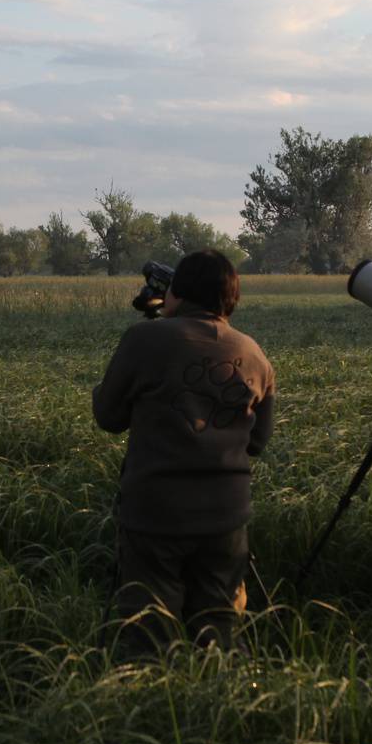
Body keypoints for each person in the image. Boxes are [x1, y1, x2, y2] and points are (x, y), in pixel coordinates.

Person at [93, 250, 276, 655]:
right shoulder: (254, 354)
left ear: (177, 291)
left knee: (148, 626)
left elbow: (108, 415)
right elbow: (258, 442)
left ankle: (153, 704)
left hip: (155, 513)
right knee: (221, 628)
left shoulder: (144, 339)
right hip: (226, 517)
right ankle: (224, 700)